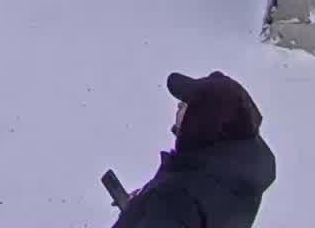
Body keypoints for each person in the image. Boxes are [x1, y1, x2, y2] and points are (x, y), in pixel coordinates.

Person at [113, 71, 276, 228]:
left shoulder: (175, 199)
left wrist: (149, 209)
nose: (178, 105)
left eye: (186, 105)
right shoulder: (234, 173)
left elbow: (180, 206)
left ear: (201, 121)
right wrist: (143, 205)